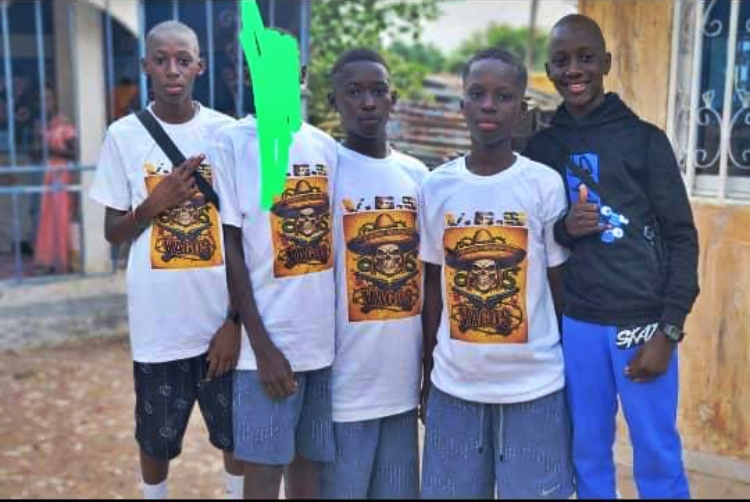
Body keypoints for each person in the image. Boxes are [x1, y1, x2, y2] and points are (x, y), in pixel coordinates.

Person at [523, 14, 700, 499]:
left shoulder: (645, 140)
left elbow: (682, 238)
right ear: (549, 70)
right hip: (577, 323)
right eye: (562, 61)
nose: (573, 70)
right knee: (586, 449)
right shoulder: (542, 147)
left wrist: (669, 329)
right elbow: (537, 235)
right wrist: (566, 228)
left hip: (641, 324)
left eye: (585, 58)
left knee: (656, 450)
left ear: (605, 62)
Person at [89, 21, 244, 500]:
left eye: (183, 60)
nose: (172, 70)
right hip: (159, 323)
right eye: (161, 60)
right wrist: (152, 205)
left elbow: (246, 234)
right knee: (155, 440)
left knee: (235, 435)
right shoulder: (123, 135)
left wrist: (235, 321)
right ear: (145, 67)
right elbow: (113, 232)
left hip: (219, 321)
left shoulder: (226, 133)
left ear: (200, 66)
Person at [419, 47, 575, 499]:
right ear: (462, 105)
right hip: (455, 389)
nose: (489, 105)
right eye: (478, 94)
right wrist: (427, 372)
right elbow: (433, 289)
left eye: (503, 97)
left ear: (521, 109)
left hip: (535, 390)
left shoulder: (543, 184)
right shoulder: (437, 186)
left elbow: (560, 290)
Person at [211, 40, 338, 500]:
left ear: (301, 76)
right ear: (248, 76)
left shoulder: (325, 147)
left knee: (308, 471)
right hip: (264, 347)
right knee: (264, 473)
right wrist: (261, 347)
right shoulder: (231, 144)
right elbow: (231, 248)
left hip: (321, 347)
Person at [318, 49, 428, 499]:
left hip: (401, 385)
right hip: (342, 387)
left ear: (393, 99)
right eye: (354, 92)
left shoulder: (417, 176)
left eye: (378, 91)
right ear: (334, 101)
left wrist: (429, 368)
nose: (367, 102)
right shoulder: (326, 173)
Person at [33, 86, 77, 274]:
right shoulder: (41, 124)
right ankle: (47, 259)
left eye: (48, 98)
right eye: (41, 99)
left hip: (62, 173)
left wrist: (50, 150)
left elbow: (75, 152)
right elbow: (35, 153)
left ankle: (63, 259)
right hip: (47, 173)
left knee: (61, 215)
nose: (45, 103)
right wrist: (38, 144)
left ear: (55, 100)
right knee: (46, 217)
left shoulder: (63, 123)